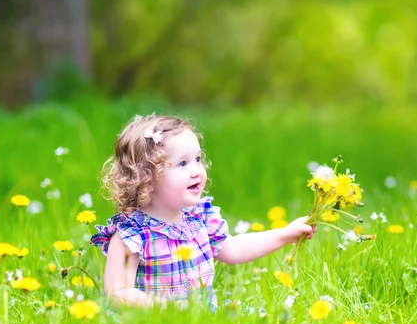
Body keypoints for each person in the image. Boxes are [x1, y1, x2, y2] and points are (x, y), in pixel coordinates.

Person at [90, 114, 315, 311]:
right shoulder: (133, 235)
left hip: (204, 321)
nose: (197, 170)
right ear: (146, 178)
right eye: (182, 164)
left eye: (197, 160)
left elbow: (235, 250)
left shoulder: (198, 219)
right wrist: (169, 310)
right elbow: (117, 294)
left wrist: (285, 234)